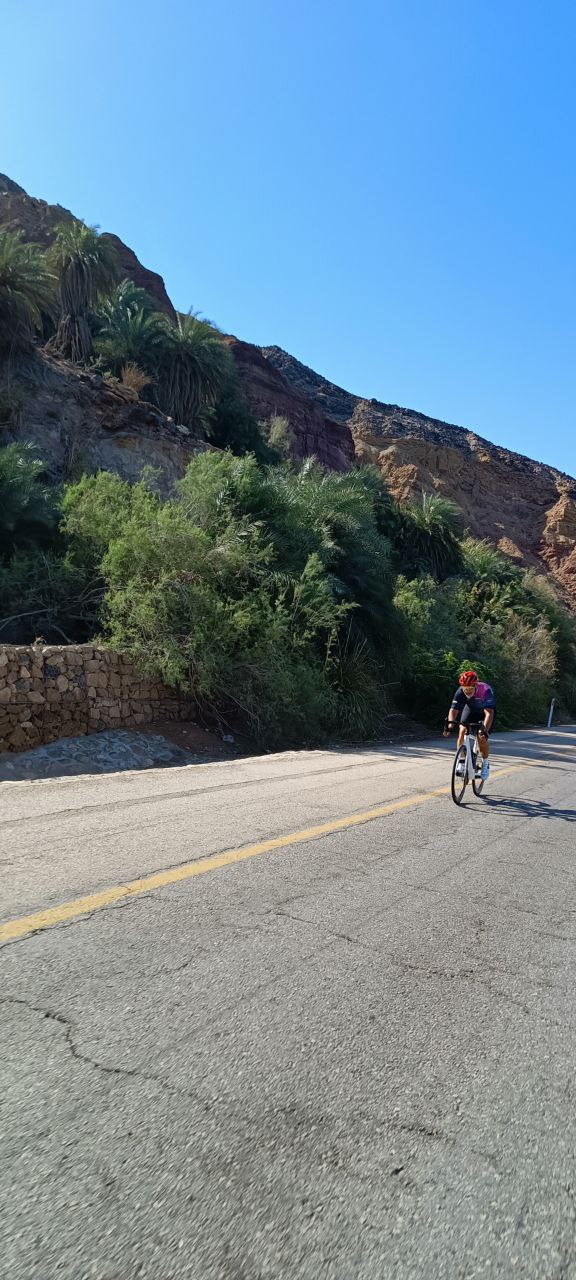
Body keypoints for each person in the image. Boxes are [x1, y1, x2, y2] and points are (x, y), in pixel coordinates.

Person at [443, 670, 495, 779]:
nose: (467, 691)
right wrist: (450, 725)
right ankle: (462, 761)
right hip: (470, 710)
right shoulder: (460, 691)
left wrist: (484, 730)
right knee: (462, 730)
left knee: (481, 737)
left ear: (475, 685)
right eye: (465, 689)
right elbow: (453, 710)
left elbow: (489, 713)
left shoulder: (485, 690)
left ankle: (485, 764)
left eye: (470, 689)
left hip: (485, 713)